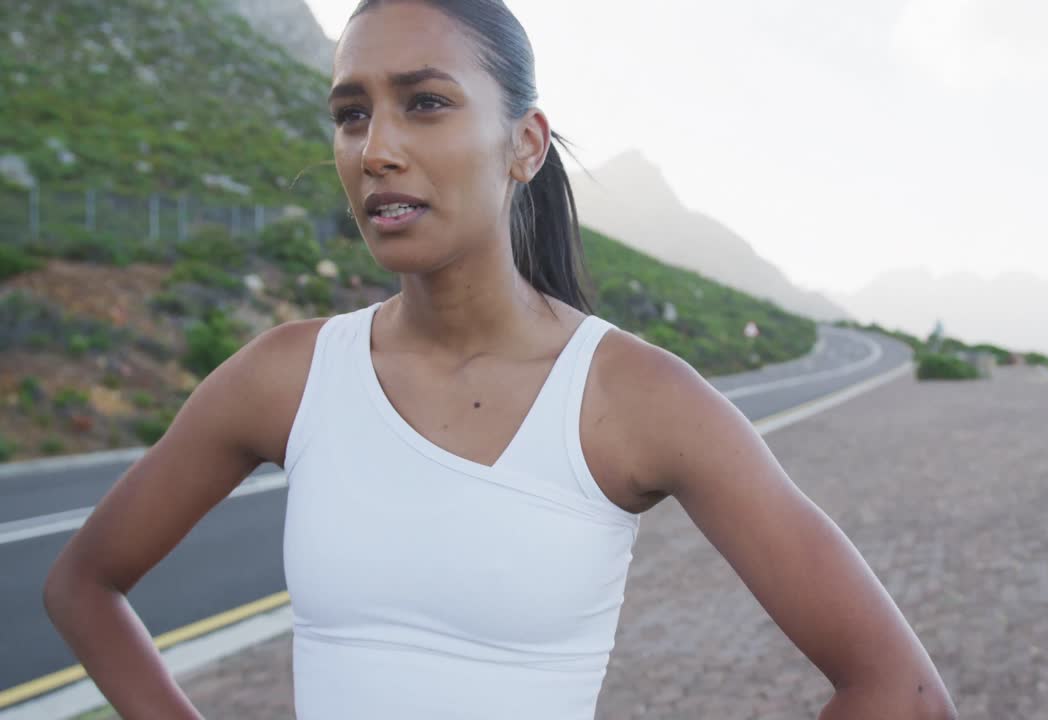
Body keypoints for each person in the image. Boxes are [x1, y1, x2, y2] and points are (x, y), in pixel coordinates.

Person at [42, 1, 957, 718]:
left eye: (425, 103)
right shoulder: (286, 375)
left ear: (523, 144)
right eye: (350, 114)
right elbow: (83, 584)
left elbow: (901, 694)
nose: (377, 149)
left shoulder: (635, 399)